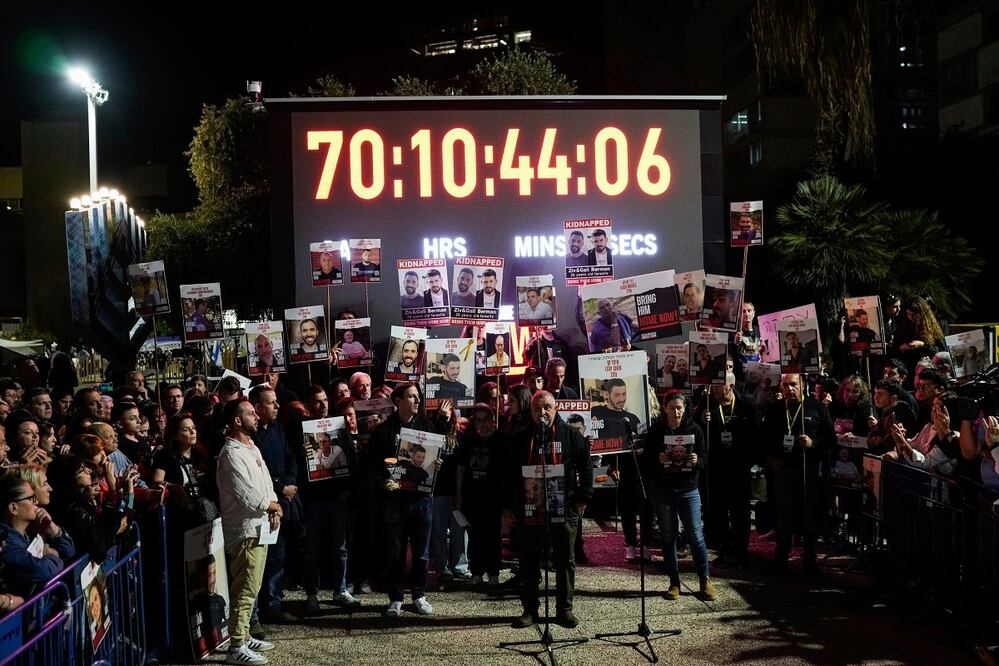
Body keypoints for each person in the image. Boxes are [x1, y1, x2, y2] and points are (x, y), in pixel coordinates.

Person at [504, 391, 592, 629]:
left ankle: (564, 610)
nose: (542, 413)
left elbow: (586, 468)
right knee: (529, 561)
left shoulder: (572, 436)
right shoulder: (521, 438)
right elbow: (509, 475)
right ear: (530, 411)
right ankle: (530, 610)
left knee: (565, 560)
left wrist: (582, 498)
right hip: (530, 509)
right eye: (536, 409)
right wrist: (508, 507)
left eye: (547, 408)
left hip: (564, 508)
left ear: (555, 409)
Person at [370, 383, 450, 618]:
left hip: (422, 499)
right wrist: (383, 480)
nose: (417, 401)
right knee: (395, 552)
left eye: (418, 397)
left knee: (421, 552)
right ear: (398, 400)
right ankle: (395, 597)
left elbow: (438, 455)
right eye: (411, 397)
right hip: (394, 500)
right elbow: (373, 465)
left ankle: (419, 595)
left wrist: (437, 463)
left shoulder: (427, 426)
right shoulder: (384, 431)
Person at [216, 398, 281, 665]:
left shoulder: (251, 447)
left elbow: (265, 481)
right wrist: (271, 505)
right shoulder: (231, 453)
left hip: (260, 526)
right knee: (244, 588)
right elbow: (247, 494)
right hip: (244, 531)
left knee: (252, 587)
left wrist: (275, 505)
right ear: (237, 420)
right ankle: (236, 646)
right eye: (251, 413)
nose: (256, 416)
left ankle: (243, 635)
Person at [763, 373, 835, 574]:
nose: (789, 389)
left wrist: (813, 444)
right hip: (783, 470)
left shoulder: (817, 407)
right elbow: (763, 438)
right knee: (783, 516)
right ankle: (781, 558)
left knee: (809, 515)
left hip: (809, 470)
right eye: (785, 385)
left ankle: (810, 559)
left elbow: (830, 439)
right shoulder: (775, 409)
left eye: (794, 384)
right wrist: (768, 459)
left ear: (802, 385)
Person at [248, 386, 299, 626]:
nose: (277, 407)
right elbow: (259, 472)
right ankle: (255, 613)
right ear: (257, 408)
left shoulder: (279, 429)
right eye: (271, 403)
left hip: (283, 503)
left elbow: (291, 458)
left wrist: (289, 485)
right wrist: (280, 488)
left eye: (277, 402)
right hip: (263, 506)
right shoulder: (251, 437)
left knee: (278, 557)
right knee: (260, 562)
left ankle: (274, 605)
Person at [696, 373, 758, 569]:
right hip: (717, 469)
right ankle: (725, 550)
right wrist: (701, 420)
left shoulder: (746, 405)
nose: (713, 389)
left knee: (741, 513)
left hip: (739, 468)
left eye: (718, 386)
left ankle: (741, 553)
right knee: (718, 512)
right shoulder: (707, 406)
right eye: (713, 386)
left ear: (730, 386)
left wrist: (750, 460)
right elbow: (697, 434)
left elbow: (756, 433)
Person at [0, 475, 75, 597]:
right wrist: (50, 554)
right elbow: (44, 571)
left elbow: (68, 551)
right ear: (14, 508)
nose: (36, 502)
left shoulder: (31, 530)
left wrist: (52, 527)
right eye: (30, 498)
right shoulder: (6, 542)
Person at [455, 404, 505, 587]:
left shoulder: (501, 439)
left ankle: (493, 573)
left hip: (493, 497)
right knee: (475, 536)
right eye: (479, 419)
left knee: (493, 536)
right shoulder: (468, 440)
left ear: (493, 420)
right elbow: (461, 468)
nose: (483, 423)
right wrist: (459, 495)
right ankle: (476, 572)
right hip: (472, 496)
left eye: (487, 419)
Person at [865, 379, 916, 453]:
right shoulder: (887, 412)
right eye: (875, 393)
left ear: (893, 398)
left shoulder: (897, 417)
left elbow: (884, 446)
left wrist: (875, 433)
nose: (875, 397)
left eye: (880, 394)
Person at [731, 301, 766, 381]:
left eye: (749, 311)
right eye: (743, 311)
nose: (746, 314)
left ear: (754, 313)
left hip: (758, 377)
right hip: (740, 379)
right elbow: (729, 354)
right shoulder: (734, 333)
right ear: (739, 315)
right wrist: (735, 343)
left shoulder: (761, 331)